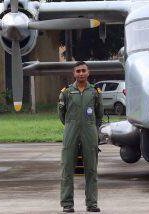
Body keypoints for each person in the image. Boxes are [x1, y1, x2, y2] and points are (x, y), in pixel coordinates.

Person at [58, 61, 103, 213]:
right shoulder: (67, 92)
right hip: (71, 131)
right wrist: (71, 125)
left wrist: (92, 128)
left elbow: (99, 113)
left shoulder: (94, 92)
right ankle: (67, 204)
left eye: (84, 70)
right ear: (74, 73)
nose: (81, 73)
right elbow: (61, 114)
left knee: (91, 170)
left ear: (88, 72)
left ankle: (92, 204)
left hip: (89, 132)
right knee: (67, 169)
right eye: (78, 71)